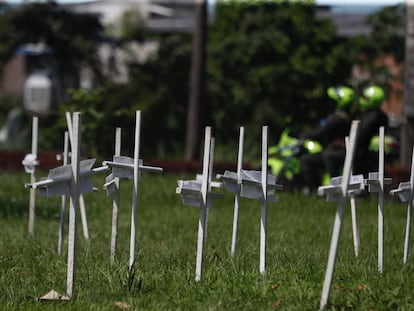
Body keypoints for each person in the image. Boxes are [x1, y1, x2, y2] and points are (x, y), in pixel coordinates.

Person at [300, 85, 354, 194]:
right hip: (336, 150)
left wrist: (303, 135)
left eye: (333, 101)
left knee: (310, 159)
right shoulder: (345, 116)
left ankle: (318, 190)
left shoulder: (339, 118)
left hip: (340, 152)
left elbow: (321, 132)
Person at [353, 84, 388, 176]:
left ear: (374, 100)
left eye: (366, 98)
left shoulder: (372, 117)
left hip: (364, 155)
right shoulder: (382, 116)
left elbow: (361, 136)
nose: (363, 100)